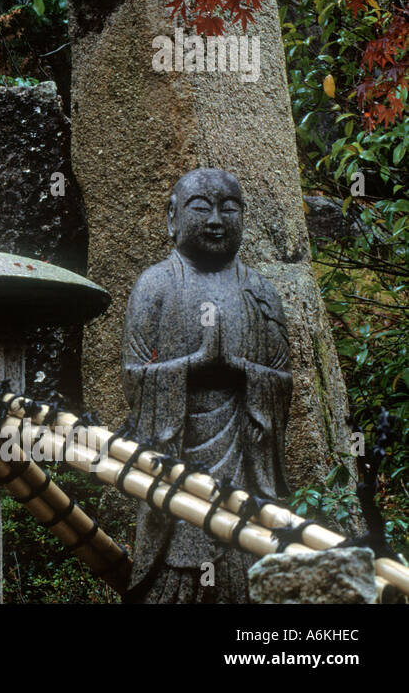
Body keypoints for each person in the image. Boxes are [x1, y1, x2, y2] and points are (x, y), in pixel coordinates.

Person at [122, 168, 292, 603]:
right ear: (172, 219)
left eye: (229, 209)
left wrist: (240, 372)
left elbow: (281, 381)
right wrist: (192, 367)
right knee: (175, 577)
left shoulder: (260, 291)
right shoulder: (154, 286)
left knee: (246, 570)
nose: (216, 220)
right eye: (201, 208)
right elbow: (134, 376)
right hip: (176, 465)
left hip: (245, 471)